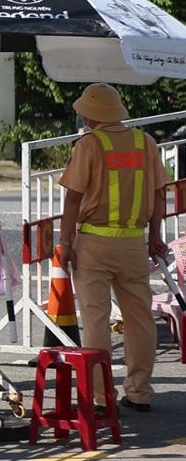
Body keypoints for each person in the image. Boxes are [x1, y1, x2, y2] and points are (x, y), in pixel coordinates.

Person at [58, 83, 168, 412]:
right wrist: (155, 236)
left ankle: (98, 396)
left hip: (93, 242)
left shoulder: (88, 145)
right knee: (139, 319)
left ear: (91, 115)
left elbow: (73, 197)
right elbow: (160, 193)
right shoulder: (145, 142)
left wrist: (66, 243)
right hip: (134, 242)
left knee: (96, 320)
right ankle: (139, 391)